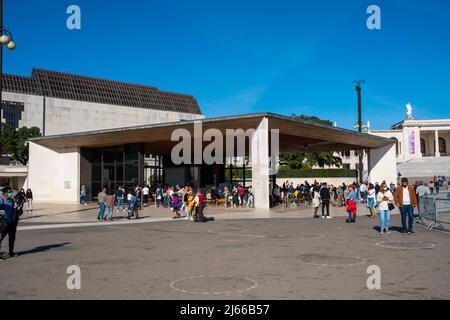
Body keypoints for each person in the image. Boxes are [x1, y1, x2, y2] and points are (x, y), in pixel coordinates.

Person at [0, 191, 20, 259]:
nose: (10, 193)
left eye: (11, 192)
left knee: (12, 239)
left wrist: (17, 208)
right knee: (0, 238)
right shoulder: (2, 201)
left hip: (12, 224)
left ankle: (11, 252)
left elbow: (16, 210)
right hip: (4, 224)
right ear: (5, 193)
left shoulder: (13, 200)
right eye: (9, 192)